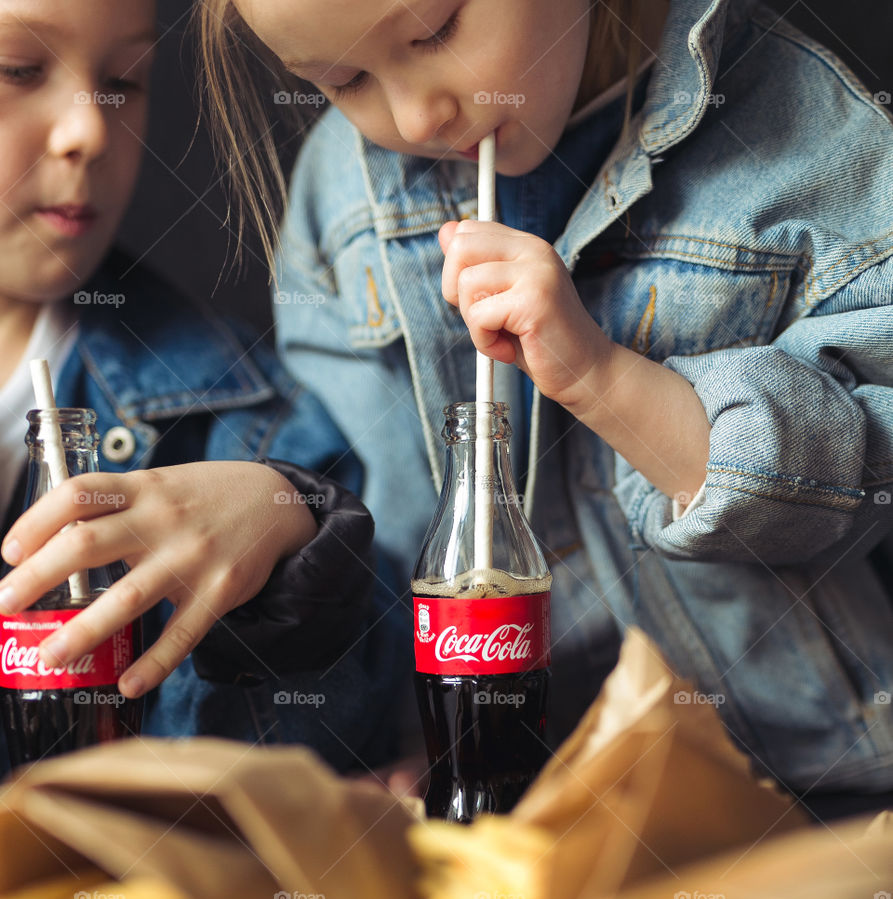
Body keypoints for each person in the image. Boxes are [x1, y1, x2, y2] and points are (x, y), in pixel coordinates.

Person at [200, 0, 893, 801]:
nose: (416, 114)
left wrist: (600, 378)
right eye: (341, 79)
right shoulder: (339, 185)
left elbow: (858, 486)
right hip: (496, 798)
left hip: (803, 794)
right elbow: (374, 528)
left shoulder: (824, 149)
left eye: (432, 33)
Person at [0, 0, 405, 776]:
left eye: (123, 81)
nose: (88, 130)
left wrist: (290, 544)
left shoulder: (248, 423)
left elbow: (355, 747)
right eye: (18, 69)